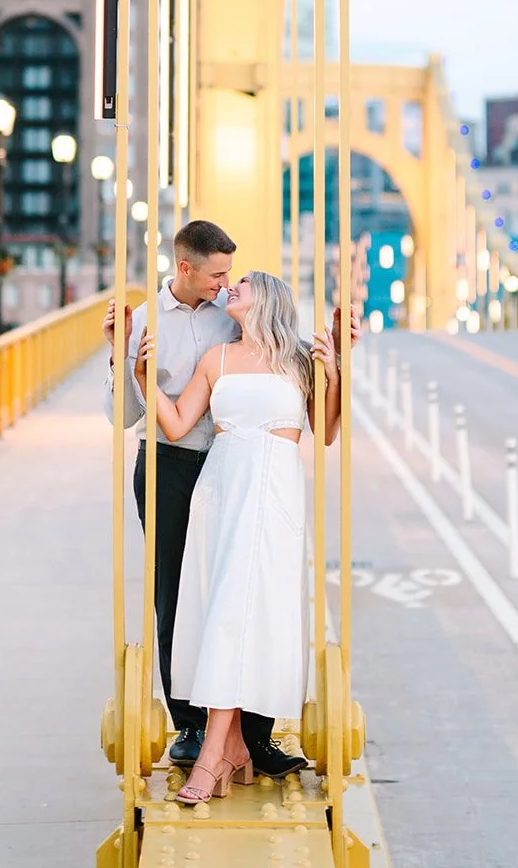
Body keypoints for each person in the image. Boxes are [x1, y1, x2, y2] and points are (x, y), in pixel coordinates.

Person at [103, 219, 359, 777]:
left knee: (258, 593)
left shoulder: (255, 327)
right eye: (219, 275)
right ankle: (194, 727)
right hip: (181, 467)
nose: (226, 285)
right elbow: (137, 417)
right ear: (186, 268)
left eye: (234, 278)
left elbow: (324, 422)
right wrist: (124, 360)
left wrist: (339, 361)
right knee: (182, 590)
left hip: (253, 476)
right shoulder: (147, 321)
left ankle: (252, 734)